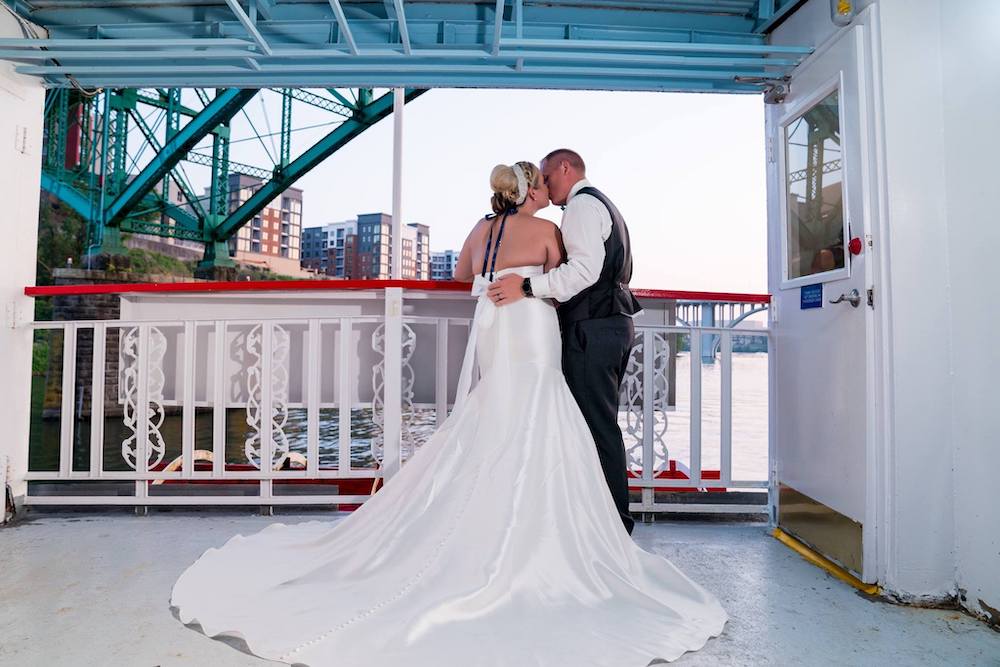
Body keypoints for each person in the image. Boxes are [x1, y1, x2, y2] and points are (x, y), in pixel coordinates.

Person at [170, 161, 726, 666]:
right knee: (543, 411)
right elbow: (566, 280)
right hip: (531, 324)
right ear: (533, 188)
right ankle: (551, 527)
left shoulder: (479, 230)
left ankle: (469, 516)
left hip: (492, 327)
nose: (545, 193)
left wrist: (499, 279)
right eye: (539, 186)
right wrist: (529, 282)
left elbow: (464, 275)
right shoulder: (549, 230)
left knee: (493, 410)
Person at [486, 148, 641, 534]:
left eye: (547, 176)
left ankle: (612, 526)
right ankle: (603, 519)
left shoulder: (581, 208)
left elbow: (583, 271)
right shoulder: (603, 204)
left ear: (565, 168)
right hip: (613, 323)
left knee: (595, 427)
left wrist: (526, 285)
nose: (545, 185)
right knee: (595, 424)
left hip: (594, 327)